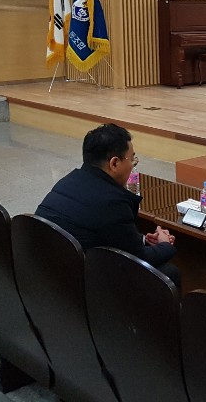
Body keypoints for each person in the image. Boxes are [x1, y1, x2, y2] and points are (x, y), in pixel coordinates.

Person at [35, 123, 181, 288]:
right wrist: (165, 244)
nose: (132, 165)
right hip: (79, 285)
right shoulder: (112, 202)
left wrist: (141, 239)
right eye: (132, 159)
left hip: (45, 272)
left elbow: (106, 233)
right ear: (114, 163)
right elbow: (139, 259)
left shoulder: (68, 181)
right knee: (169, 273)